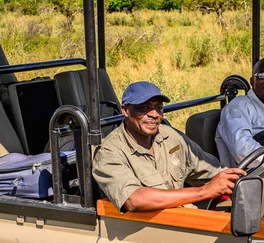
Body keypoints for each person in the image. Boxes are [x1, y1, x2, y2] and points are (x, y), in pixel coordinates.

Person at [93, 81, 246, 212]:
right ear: (125, 110)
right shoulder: (110, 152)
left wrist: (233, 181)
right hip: (148, 230)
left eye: (158, 107)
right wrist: (203, 192)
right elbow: (134, 199)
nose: (154, 114)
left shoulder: (169, 136)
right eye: (144, 108)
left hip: (181, 218)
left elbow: (210, 170)